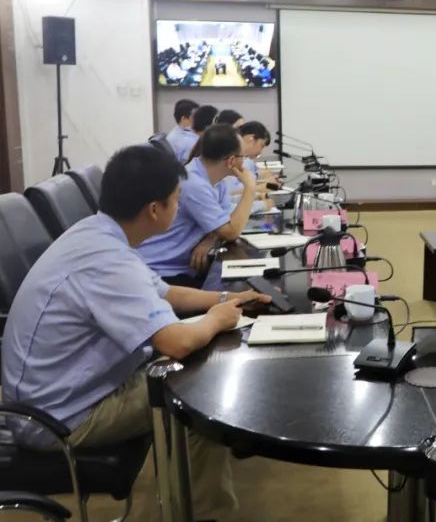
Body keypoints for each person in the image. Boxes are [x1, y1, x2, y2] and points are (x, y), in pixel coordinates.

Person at [1, 144, 270, 521]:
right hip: (60, 416)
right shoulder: (107, 260)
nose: (179, 208)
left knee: (199, 368)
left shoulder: (97, 232)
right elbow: (176, 342)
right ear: (155, 209)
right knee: (200, 397)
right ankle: (207, 513)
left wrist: (226, 299)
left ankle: (190, 499)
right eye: (177, 201)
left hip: (66, 391)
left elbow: (164, 291)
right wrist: (217, 319)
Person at [138, 124, 257, 287]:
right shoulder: (194, 183)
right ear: (231, 161)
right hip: (162, 272)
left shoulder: (214, 179)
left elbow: (228, 220)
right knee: (240, 290)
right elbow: (231, 232)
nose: (245, 162)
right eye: (243, 157)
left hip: (184, 266)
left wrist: (211, 237)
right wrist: (250, 189)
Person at [165, 98, 199, 162]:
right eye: (195, 116)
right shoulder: (180, 140)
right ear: (184, 119)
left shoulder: (184, 131)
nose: (198, 119)